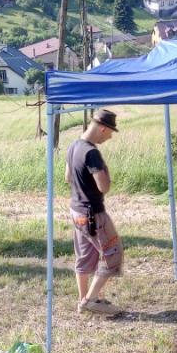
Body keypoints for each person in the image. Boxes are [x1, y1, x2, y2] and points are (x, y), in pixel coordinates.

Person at [65, 108, 123, 316]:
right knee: (113, 255)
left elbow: (67, 177)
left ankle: (83, 300)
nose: (110, 137)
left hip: (77, 211)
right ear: (102, 128)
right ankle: (90, 301)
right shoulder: (92, 152)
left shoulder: (73, 146)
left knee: (84, 257)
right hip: (93, 214)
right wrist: (105, 170)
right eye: (110, 133)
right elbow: (104, 187)